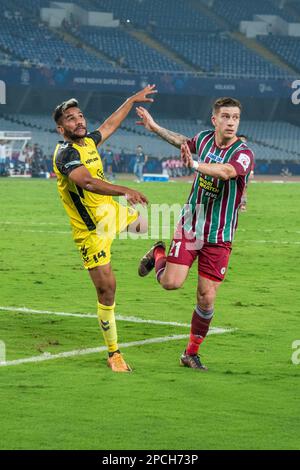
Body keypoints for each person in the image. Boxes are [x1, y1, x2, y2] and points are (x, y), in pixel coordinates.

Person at [136, 97, 254, 370]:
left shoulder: (243, 153)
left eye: (235, 117)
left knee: (206, 296)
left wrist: (195, 166)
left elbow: (226, 172)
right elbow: (181, 141)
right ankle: (158, 252)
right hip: (191, 225)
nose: (231, 122)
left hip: (219, 235)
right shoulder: (203, 139)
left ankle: (190, 353)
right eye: (225, 116)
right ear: (215, 120)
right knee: (170, 283)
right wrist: (154, 127)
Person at [52, 84, 157, 372]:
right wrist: (124, 190)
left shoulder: (88, 142)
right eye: (71, 119)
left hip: (110, 213)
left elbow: (110, 124)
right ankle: (114, 354)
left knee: (148, 224)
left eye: (80, 116)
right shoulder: (65, 154)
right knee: (108, 291)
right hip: (91, 232)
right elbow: (86, 181)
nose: (79, 121)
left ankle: (154, 256)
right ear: (62, 129)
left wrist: (131, 100)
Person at [238, 134, 254, 212]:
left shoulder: (249, 151)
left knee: (244, 188)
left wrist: (251, 171)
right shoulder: (232, 149)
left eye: (243, 140)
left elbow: (252, 162)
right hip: (234, 172)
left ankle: (243, 205)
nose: (242, 141)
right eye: (240, 139)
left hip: (244, 173)